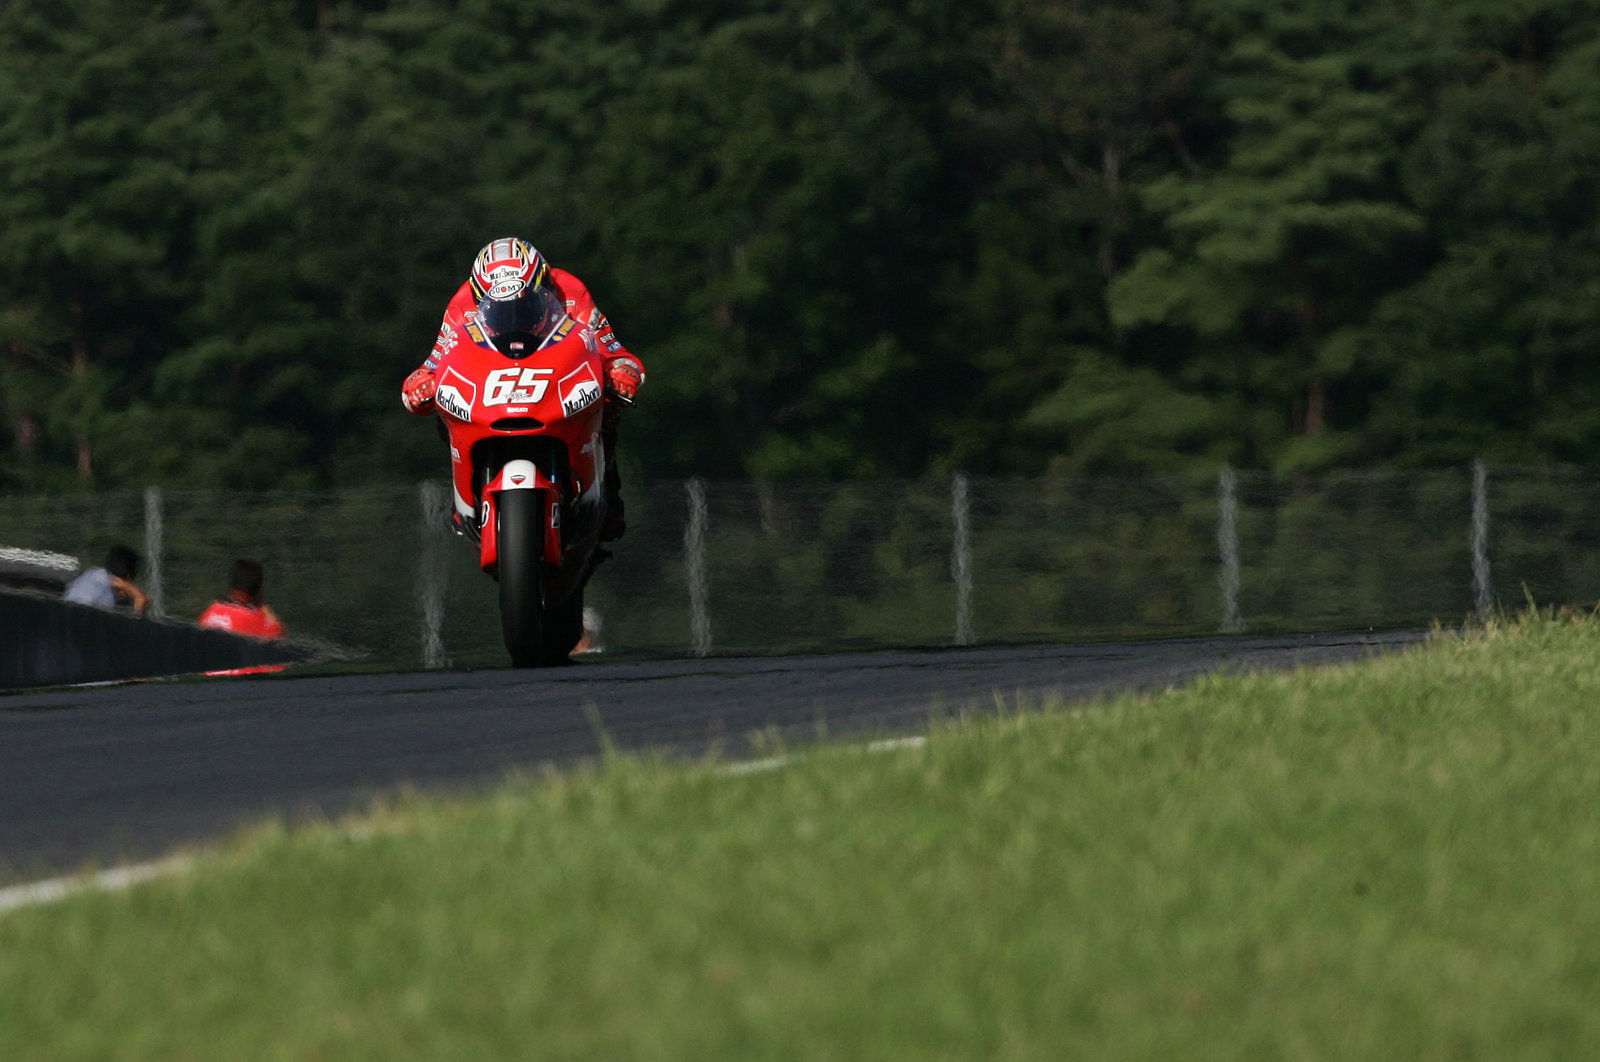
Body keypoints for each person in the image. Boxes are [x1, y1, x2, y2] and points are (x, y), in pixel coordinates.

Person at [400, 237, 646, 540]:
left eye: (523, 303)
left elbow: (608, 346)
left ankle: (607, 497)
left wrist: (621, 369)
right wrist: (422, 382)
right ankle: (464, 497)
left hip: (553, 375)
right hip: (493, 383)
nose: (513, 315)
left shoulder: (570, 290)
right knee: (445, 407)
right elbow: (437, 359)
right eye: (499, 307)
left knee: (608, 405)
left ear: (542, 284)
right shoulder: (461, 303)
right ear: (479, 296)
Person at [197, 558, 284, 640]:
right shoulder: (256, 619)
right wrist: (266, 611)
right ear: (258, 590)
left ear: (233, 585)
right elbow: (276, 640)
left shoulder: (211, 610)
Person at [62, 544, 149, 614]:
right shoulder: (105, 592)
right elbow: (143, 601)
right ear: (128, 577)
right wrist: (131, 589)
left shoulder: (92, 575)